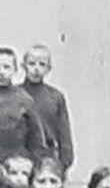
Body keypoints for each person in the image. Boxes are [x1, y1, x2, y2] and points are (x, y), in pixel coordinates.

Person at [20, 45, 74, 176]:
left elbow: (64, 133)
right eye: (32, 63)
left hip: (47, 156)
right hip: (21, 157)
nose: (36, 69)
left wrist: (64, 163)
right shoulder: (17, 94)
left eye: (42, 64)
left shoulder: (55, 97)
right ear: (23, 66)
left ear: (48, 69)